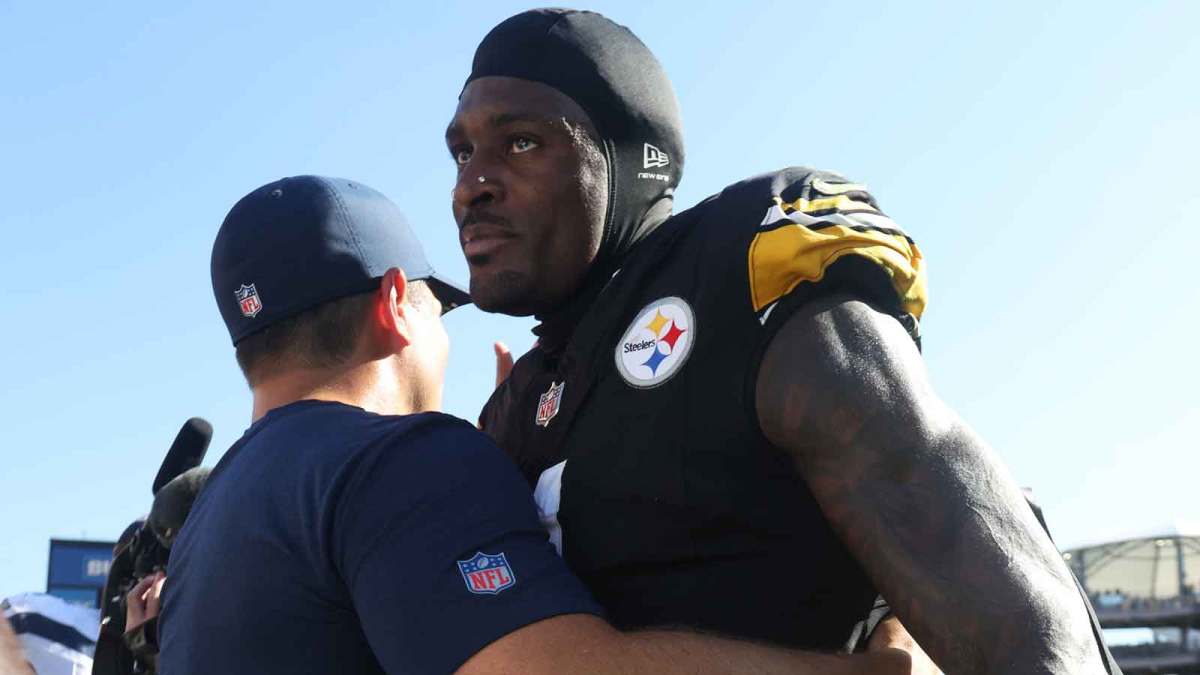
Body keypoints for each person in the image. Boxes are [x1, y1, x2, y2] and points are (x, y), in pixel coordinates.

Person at [448, 9, 1118, 674]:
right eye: (462, 151)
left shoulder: (741, 277)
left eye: (522, 143)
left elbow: (1003, 600)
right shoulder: (516, 405)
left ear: (630, 157)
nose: (470, 186)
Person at [158, 175, 909, 674]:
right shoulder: (402, 459)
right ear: (395, 301)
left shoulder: (203, 528)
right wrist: (865, 669)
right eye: (438, 306)